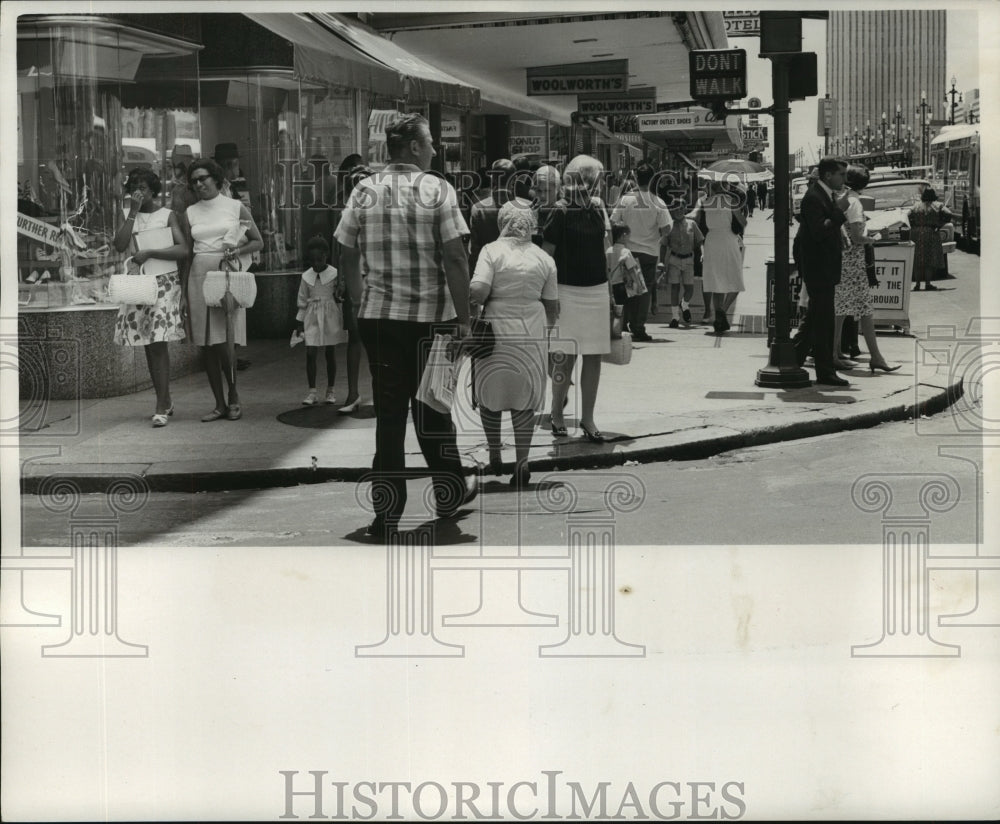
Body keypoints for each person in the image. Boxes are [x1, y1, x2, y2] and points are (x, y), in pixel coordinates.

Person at [334, 113, 476, 539]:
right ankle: (449, 493)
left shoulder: (364, 190)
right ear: (414, 147)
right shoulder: (436, 190)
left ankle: (386, 515)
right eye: (430, 142)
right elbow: (455, 257)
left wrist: (362, 301)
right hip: (433, 321)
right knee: (433, 410)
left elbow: (346, 252)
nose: (435, 149)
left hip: (379, 320)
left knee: (390, 417)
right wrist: (465, 317)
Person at [470, 201, 559, 487]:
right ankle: (522, 463)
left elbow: (480, 292)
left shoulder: (490, 252)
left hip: (495, 328)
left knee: (490, 393)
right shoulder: (544, 258)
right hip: (531, 327)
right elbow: (552, 305)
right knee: (524, 399)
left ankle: (495, 455)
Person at [181, 158, 264, 421]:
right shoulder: (190, 212)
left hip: (225, 272)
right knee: (207, 344)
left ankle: (234, 395)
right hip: (198, 274)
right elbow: (186, 255)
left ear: (216, 178)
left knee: (225, 341)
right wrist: (183, 293)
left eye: (203, 177)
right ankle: (218, 403)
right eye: (194, 180)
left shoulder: (234, 207)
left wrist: (236, 250)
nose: (199, 183)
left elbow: (257, 241)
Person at [543, 154, 612, 443]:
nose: (599, 184)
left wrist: (609, 292)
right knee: (565, 357)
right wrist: (550, 295)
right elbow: (546, 256)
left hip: (596, 289)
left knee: (593, 355)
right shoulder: (559, 211)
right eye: (597, 178)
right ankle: (557, 413)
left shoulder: (597, 209)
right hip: (567, 290)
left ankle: (588, 418)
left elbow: (605, 250)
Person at [111, 169, 188, 426]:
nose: (138, 191)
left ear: (153, 189)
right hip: (140, 284)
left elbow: (182, 249)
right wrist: (132, 212)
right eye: (134, 186)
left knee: (159, 341)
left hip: (164, 283)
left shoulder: (167, 215)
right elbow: (120, 245)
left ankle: (161, 405)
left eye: (143, 187)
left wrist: (151, 252)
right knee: (148, 342)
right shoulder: (126, 215)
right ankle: (164, 400)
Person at [832, 164, 901, 374]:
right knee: (864, 310)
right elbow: (856, 237)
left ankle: (835, 353)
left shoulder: (842, 198)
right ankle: (876, 357)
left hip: (843, 261)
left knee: (841, 310)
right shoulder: (855, 203)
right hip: (853, 264)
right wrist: (874, 237)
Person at [792, 156, 851, 387]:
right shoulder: (814, 197)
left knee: (816, 318)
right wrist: (840, 211)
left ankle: (793, 358)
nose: (844, 179)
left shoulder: (824, 194)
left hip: (824, 267)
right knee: (823, 320)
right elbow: (819, 231)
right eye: (841, 175)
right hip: (818, 268)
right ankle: (825, 372)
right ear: (828, 175)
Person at [611, 162, 671, 337]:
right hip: (649, 253)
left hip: (627, 251)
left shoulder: (625, 199)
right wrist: (656, 237)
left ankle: (624, 324)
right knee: (644, 292)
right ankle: (639, 327)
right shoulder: (658, 202)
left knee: (629, 290)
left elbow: (613, 221)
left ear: (636, 178)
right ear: (652, 179)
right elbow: (667, 228)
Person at [296, 235, 348, 405]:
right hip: (311, 316)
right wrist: (299, 323)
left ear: (326, 255)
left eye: (319, 259)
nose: (316, 264)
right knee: (310, 353)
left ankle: (330, 390)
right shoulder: (306, 277)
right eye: (312, 260)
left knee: (330, 352)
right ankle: (312, 392)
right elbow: (302, 301)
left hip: (330, 316)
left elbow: (340, 296)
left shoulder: (334, 274)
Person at [696, 180, 746, 334]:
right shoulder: (731, 201)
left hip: (711, 241)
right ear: (726, 187)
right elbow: (742, 222)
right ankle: (722, 312)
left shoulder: (705, 202)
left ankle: (719, 319)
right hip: (728, 240)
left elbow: (697, 221)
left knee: (716, 281)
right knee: (735, 280)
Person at [660, 199, 704, 329]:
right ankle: (675, 317)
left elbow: (700, 240)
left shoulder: (692, 224)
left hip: (689, 260)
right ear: (671, 210)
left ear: (685, 209)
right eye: (675, 209)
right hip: (674, 259)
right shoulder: (669, 226)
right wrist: (662, 261)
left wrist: (703, 253)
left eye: (681, 208)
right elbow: (663, 245)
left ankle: (684, 304)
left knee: (690, 288)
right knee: (675, 288)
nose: (678, 211)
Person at [469, 158, 517, 272]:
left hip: (487, 273)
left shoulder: (478, 209)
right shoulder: (525, 208)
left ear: (492, 178)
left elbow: (474, 250)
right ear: (514, 179)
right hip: (516, 275)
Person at [909, 187, 953, 291]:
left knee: (917, 260)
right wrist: (940, 224)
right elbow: (949, 213)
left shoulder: (916, 205)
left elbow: (907, 215)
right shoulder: (938, 205)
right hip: (931, 233)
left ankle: (917, 284)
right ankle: (928, 283)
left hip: (916, 233)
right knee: (929, 259)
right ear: (934, 195)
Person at [607, 223, 643, 308]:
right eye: (628, 236)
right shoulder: (625, 251)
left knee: (616, 310)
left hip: (612, 285)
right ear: (624, 235)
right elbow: (631, 269)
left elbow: (607, 268)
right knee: (625, 310)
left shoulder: (608, 251)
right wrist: (638, 284)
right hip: (623, 285)